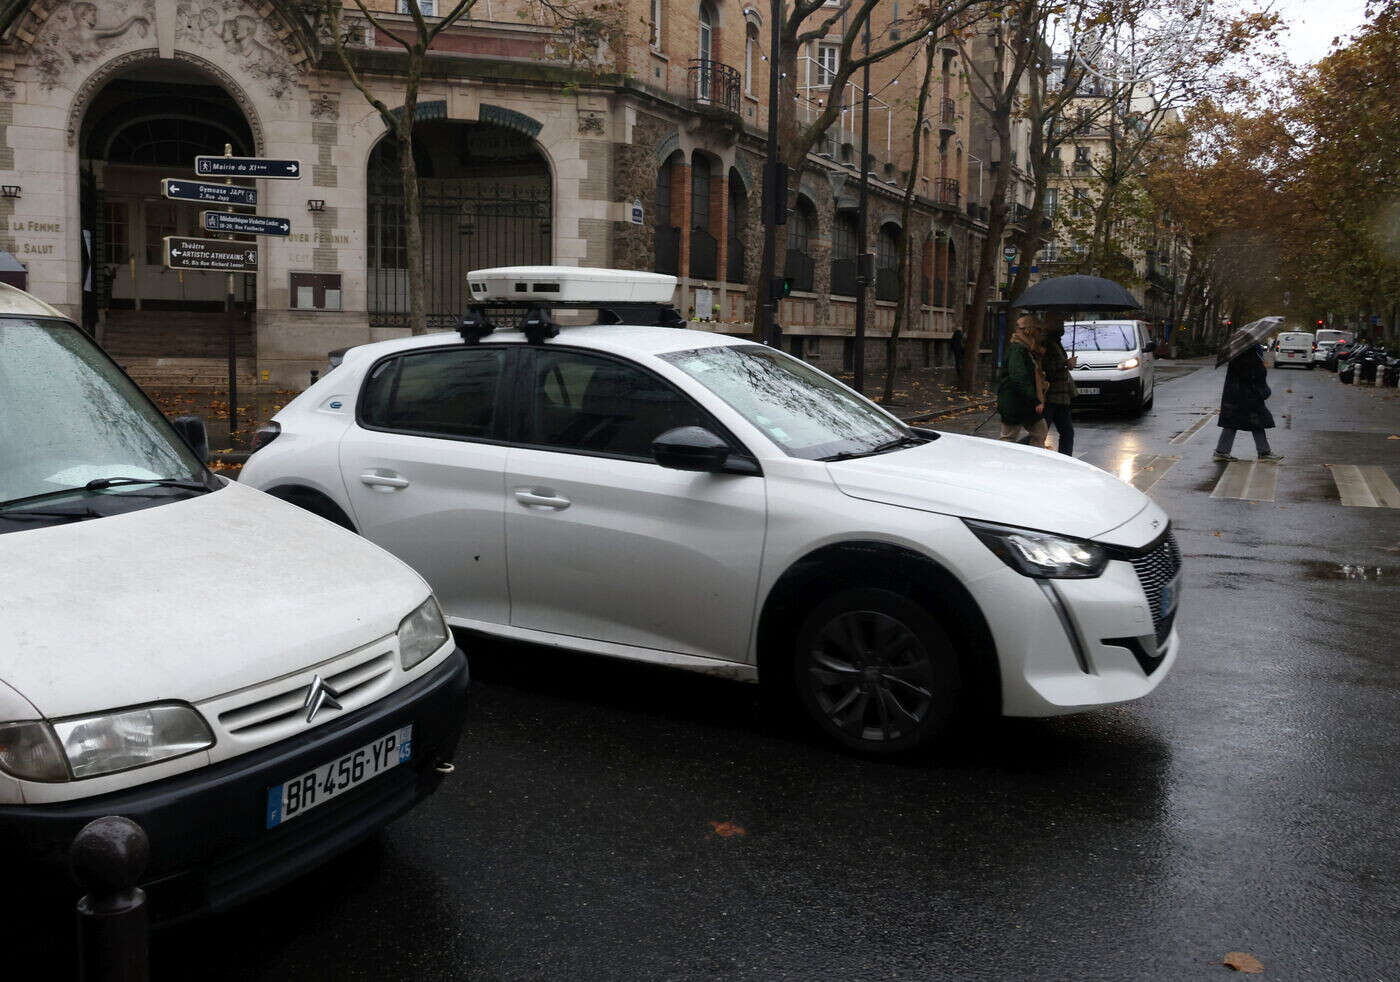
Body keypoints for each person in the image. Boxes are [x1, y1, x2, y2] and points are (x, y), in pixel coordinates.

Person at [1215, 342, 1283, 462]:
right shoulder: (1248, 353)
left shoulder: (1240, 352)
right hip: (1247, 395)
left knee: (1234, 422)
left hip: (1237, 395)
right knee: (1256, 421)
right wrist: (1262, 388)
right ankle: (1264, 452)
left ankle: (1222, 451)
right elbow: (1252, 375)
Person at [996, 313, 1047, 444]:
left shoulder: (1027, 349)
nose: (1039, 334)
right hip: (1015, 402)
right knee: (1008, 439)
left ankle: (1029, 460)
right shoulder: (1018, 350)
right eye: (1038, 330)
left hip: (1024, 403)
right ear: (1030, 330)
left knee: (1040, 432)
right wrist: (1035, 400)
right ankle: (1005, 462)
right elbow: (1019, 377)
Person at [1039, 313, 1076, 455]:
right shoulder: (1045, 342)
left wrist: (1066, 364)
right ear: (1049, 323)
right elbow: (1045, 367)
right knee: (1040, 433)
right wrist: (1065, 364)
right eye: (1058, 321)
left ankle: (1066, 461)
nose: (1061, 325)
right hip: (1050, 396)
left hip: (1061, 396)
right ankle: (1022, 451)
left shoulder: (1056, 342)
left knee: (1067, 433)